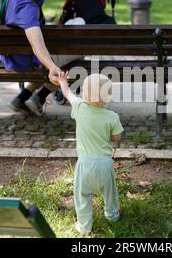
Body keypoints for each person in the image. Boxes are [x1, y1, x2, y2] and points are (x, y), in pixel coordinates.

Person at [2, 0, 82, 116]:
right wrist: (52, 66)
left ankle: (22, 98)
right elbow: (36, 43)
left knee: (67, 54)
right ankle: (40, 97)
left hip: (15, 52)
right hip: (22, 60)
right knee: (79, 54)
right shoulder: (26, 6)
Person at [58, 71, 123, 235]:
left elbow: (67, 93)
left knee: (82, 196)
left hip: (85, 164)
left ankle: (84, 226)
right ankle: (113, 216)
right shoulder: (112, 116)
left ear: (85, 95)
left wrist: (62, 81)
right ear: (108, 96)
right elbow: (117, 137)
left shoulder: (79, 107)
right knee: (110, 194)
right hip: (105, 164)